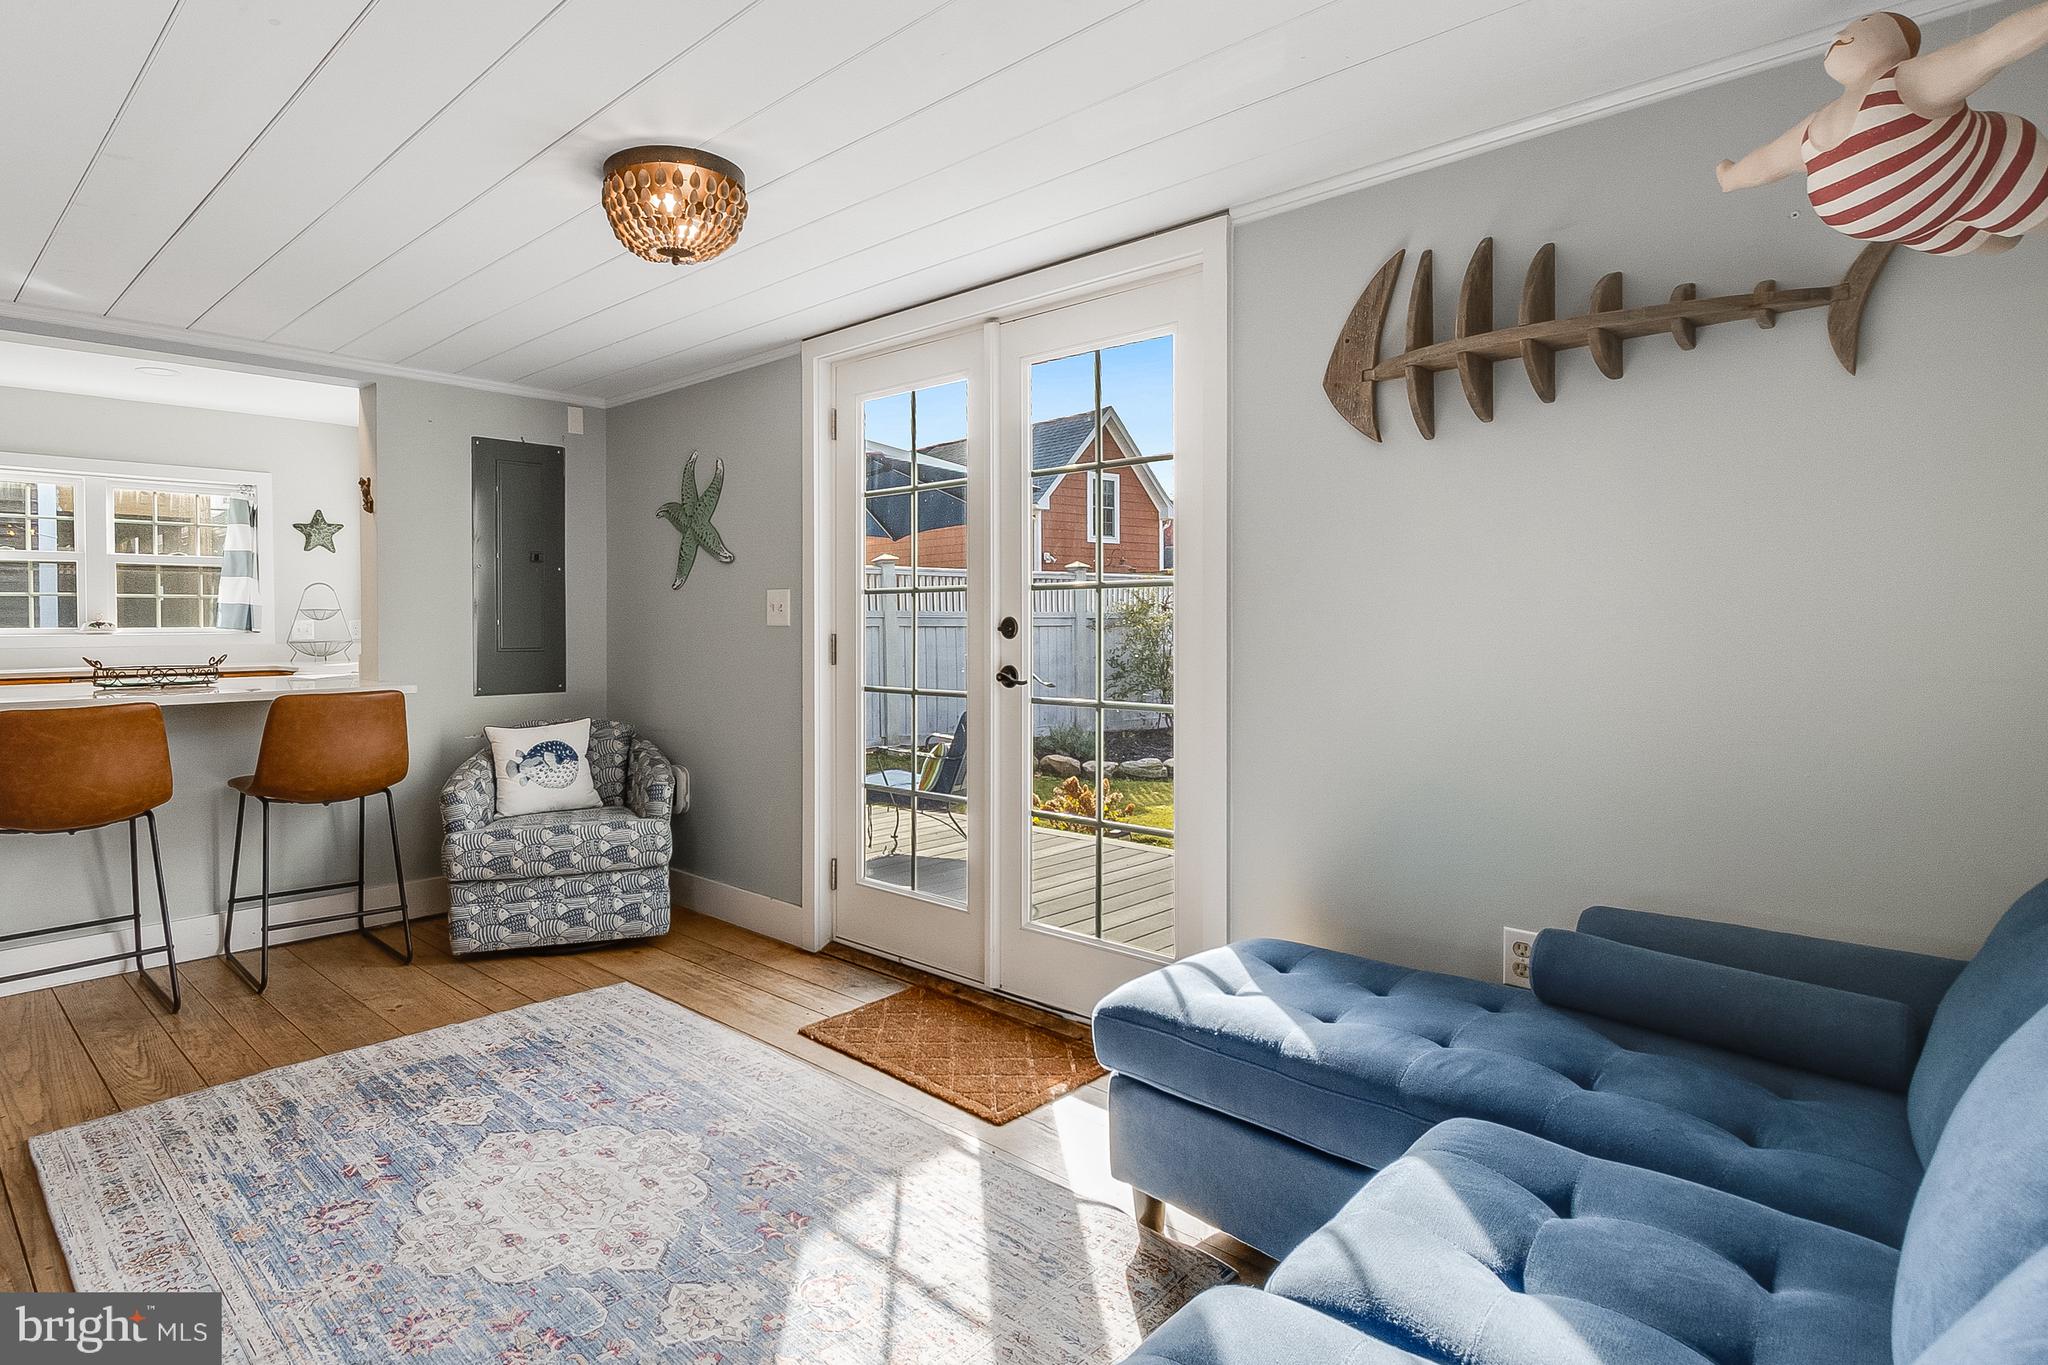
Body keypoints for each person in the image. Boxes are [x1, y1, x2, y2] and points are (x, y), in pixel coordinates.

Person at [1716, 6, 2048, 254]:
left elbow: (1989, 50)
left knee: (2015, 231)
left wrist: (1731, 178)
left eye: (1861, 24)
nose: (1838, 37)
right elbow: (1766, 164)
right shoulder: (1813, 126)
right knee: (2003, 243)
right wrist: (1731, 178)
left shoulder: (1905, 81)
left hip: (1991, 176)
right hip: (1926, 229)